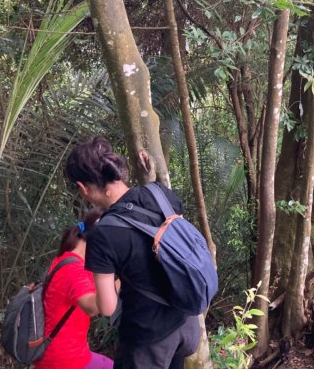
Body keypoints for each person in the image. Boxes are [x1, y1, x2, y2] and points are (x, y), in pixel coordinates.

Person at [64, 137, 199, 369]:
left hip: (149, 340)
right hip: (187, 323)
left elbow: (106, 307)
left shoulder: (102, 233)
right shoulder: (160, 193)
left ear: (83, 188)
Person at [35, 208, 113, 369]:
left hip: (50, 352)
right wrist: (122, 281)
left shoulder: (64, 258)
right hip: (66, 359)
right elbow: (93, 308)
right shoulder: (75, 269)